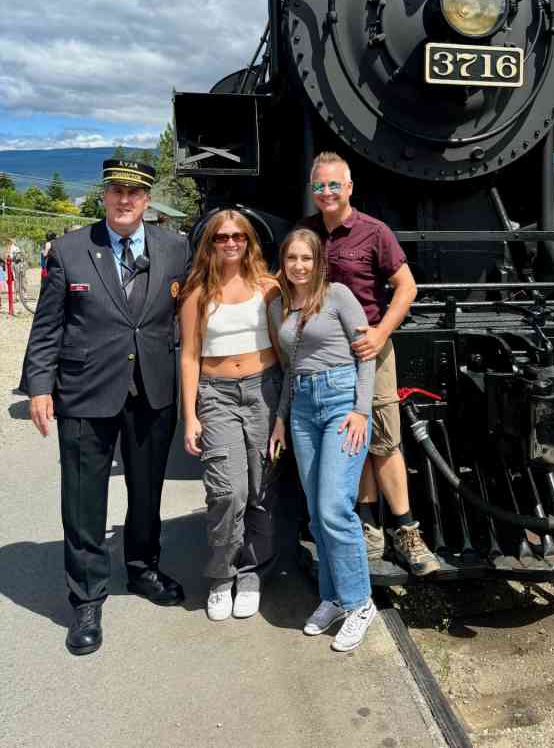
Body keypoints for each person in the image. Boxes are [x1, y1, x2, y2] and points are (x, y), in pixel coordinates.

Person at [19, 159, 191, 656]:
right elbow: (48, 325)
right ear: (104, 195)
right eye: (116, 191)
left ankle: (142, 570)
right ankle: (87, 598)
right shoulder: (71, 250)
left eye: (134, 193)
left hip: (152, 392)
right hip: (85, 394)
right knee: (83, 501)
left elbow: (190, 315)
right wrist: (39, 387)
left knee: (146, 493)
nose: (124, 200)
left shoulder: (175, 247)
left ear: (147, 199)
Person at [303, 152, 439, 577]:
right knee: (348, 437)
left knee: (382, 437)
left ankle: (406, 529)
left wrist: (381, 334)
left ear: (349, 188)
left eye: (333, 185)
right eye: (319, 186)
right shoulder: (305, 233)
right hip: (322, 353)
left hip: (367, 349)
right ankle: (366, 525)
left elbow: (406, 287)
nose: (326, 192)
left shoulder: (373, 232)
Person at [268, 228, 377, 652]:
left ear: (319, 262)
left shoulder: (338, 296)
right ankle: (332, 597)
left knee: (334, 507)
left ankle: (359, 603)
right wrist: (280, 419)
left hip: (340, 401)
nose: (298, 266)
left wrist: (360, 410)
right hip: (301, 407)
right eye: (292, 258)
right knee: (316, 513)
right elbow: (290, 369)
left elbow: (365, 353)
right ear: (284, 261)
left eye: (306, 259)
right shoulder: (280, 305)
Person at [179, 210, 282, 621]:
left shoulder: (269, 287)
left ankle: (252, 570)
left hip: (263, 389)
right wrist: (190, 415)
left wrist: (285, 410)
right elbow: (188, 356)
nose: (230, 242)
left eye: (238, 235)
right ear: (211, 242)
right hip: (216, 394)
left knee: (261, 487)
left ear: (250, 240)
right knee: (227, 491)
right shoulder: (196, 292)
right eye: (222, 237)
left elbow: (285, 345)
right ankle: (222, 574)